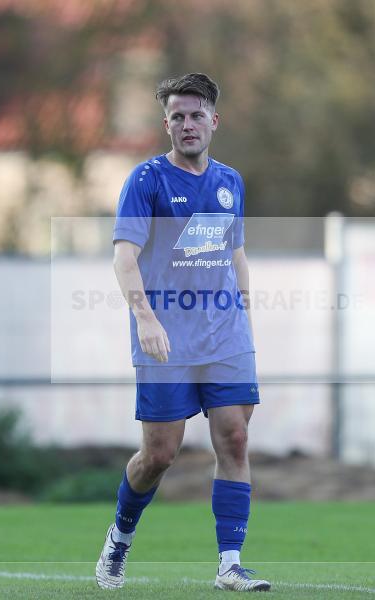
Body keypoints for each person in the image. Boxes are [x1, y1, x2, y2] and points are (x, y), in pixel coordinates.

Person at [95, 73, 269, 592]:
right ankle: (120, 538)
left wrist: (246, 317)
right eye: (177, 115)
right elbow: (124, 258)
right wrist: (146, 318)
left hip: (224, 336)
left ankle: (230, 563)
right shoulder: (145, 181)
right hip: (166, 338)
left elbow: (234, 252)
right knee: (160, 454)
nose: (187, 124)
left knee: (235, 438)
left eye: (196, 114)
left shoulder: (230, 181)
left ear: (215, 121)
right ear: (166, 123)